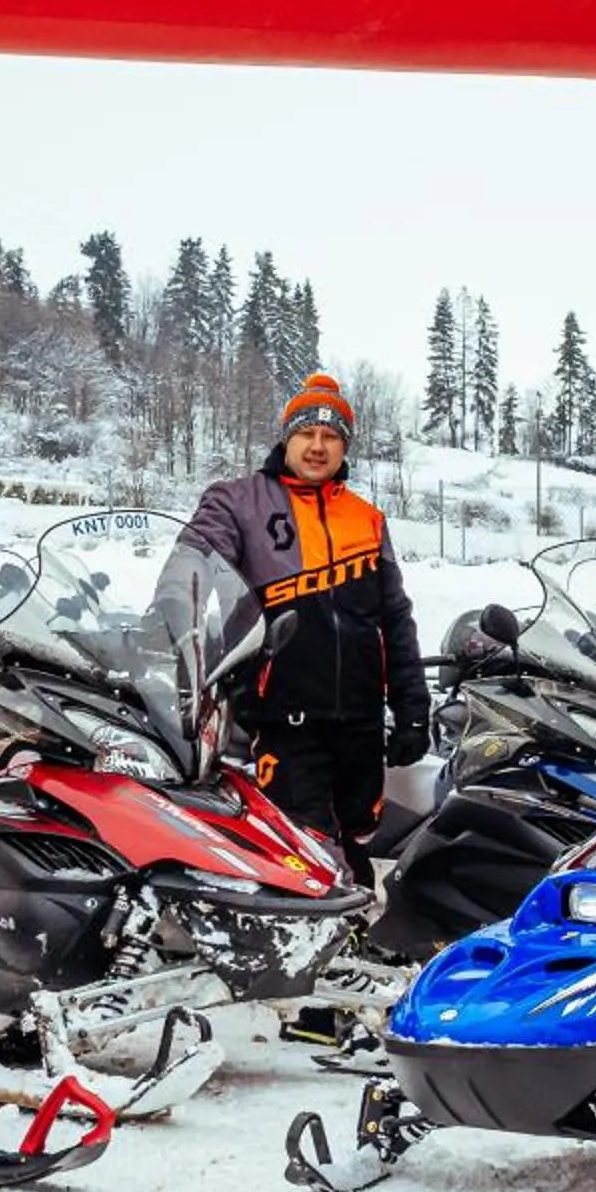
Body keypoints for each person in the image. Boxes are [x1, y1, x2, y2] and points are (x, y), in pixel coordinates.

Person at [181, 372, 429, 868]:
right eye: (306, 433)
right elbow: (190, 569)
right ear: (287, 436)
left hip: (360, 719)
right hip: (281, 719)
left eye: (331, 436)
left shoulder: (368, 519)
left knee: (360, 836)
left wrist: (412, 707)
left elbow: (395, 620)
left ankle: (355, 933)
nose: (318, 446)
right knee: (306, 846)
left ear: (344, 445)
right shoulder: (239, 501)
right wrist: (167, 627)